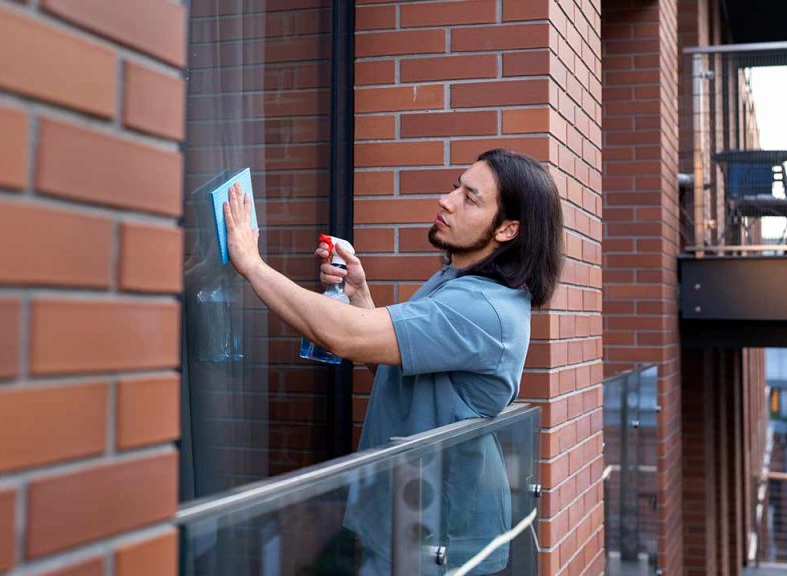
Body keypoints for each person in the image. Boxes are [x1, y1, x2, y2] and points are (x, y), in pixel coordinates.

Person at [223, 148, 564, 573]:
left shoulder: (480, 307)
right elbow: (399, 368)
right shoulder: (458, 282)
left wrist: (252, 264)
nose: (448, 200)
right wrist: (358, 296)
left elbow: (344, 337)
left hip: (437, 541)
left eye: (470, 198)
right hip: (415, 522)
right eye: (456, 186)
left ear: (508, 229)